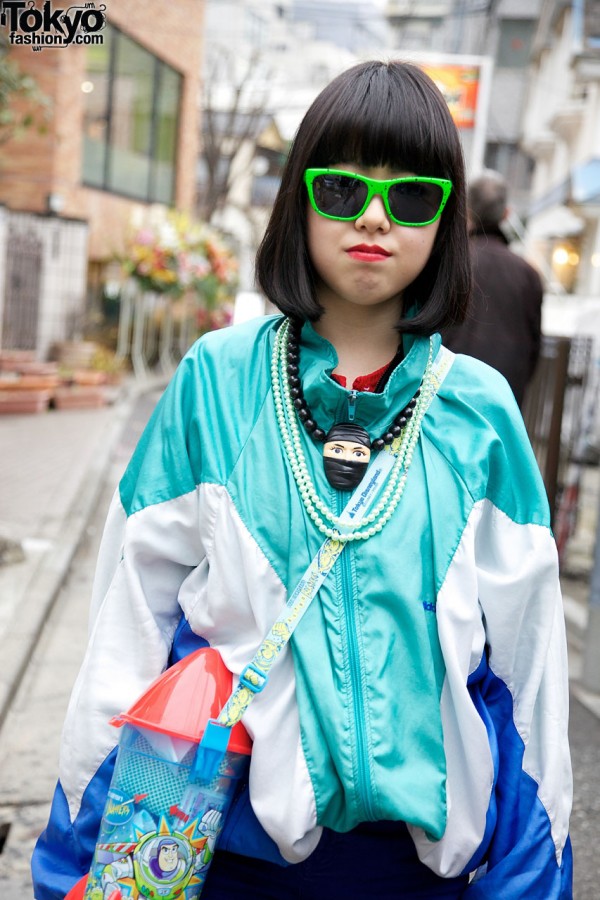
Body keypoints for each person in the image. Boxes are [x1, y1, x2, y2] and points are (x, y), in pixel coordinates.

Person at [32, 60, 572, 899]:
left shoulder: (482, 412)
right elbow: (127, 629)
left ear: (446, 220)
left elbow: (530, 677)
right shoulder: (216, 379)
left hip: (418, 875)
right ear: (298, 198)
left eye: (413, 198)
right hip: (220, 858)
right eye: (343, 189)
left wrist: (533, 881)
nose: (375, 219)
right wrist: (74, 862)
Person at [442, 169, 543, 407]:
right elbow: (534, 346)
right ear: (506, 214)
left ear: (466, 211)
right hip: (504, 397)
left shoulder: (448, 260)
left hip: (445, 393)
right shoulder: (528, 274)